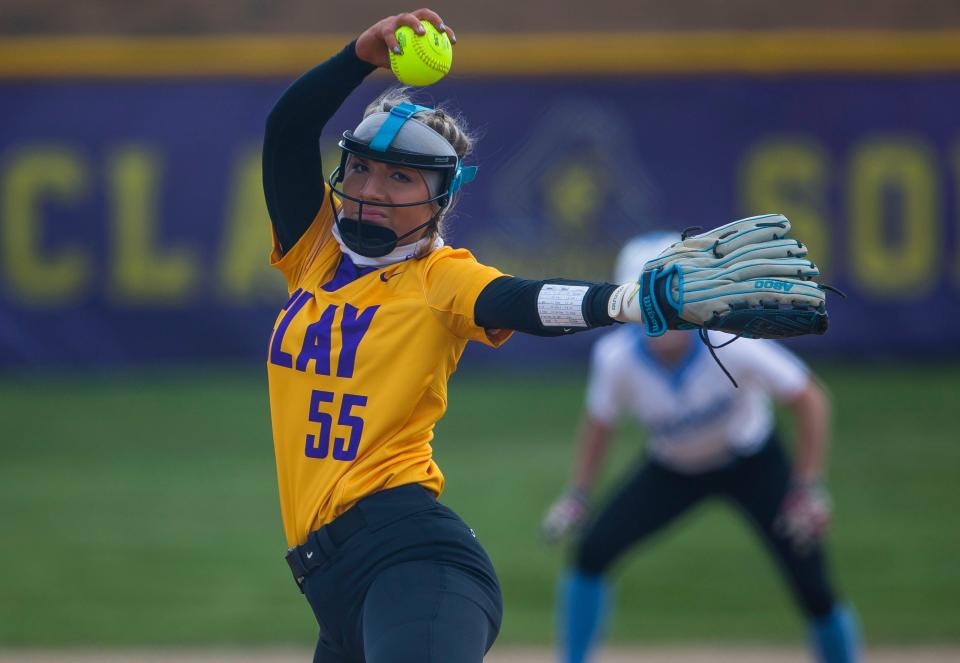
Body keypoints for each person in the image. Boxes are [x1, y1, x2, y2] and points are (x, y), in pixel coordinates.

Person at [261, 8, 831, 662]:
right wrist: (360, 55)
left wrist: (621, 300)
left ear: (439, 200)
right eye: (360, 168)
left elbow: (524, 300)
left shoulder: (439, 277)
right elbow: (287, 129)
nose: (370, 189)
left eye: (399, 176)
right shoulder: (313, 255)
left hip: (411, 562)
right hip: (332, 582)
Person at [541, 234, 861, 663]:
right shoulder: (616, 359)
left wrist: (806, 487)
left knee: (813, 584)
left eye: (672, 303)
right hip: (672, 467)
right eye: (649, 305)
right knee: (592, 551)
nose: (663, 319)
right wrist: (578, 494)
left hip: (753, 462)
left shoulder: (731, 342)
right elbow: (600, 424)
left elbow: (810, 400)